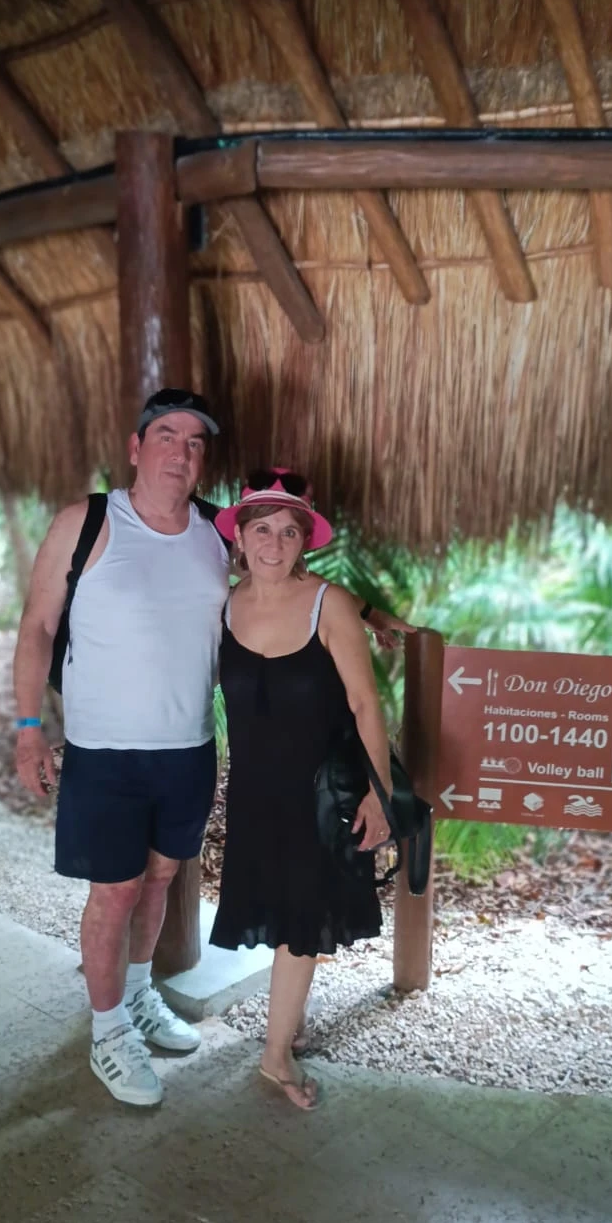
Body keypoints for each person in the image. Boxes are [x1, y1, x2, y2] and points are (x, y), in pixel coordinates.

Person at [13, 392, 406, 1109]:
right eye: (166, 436)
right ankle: (107, 1032)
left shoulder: (205, 531)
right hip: (109, 751)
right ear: (136, 447)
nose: (181, 452)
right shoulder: (92, 524)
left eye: (195, 443)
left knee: (160, 880)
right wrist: (27, 727)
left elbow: (291, 586)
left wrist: (366, 615)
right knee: (113, 894)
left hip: (189, 750)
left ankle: (137, 1000)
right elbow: (38, 626)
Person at [209, 471, 393, 1111]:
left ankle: (274, 1051)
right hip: (255, 792)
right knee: (282, 912)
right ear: (240, 534)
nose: (274, 541)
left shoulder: (329, 604)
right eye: (262, 527)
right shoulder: (224, 604)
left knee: (303, 921)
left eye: (289, 531)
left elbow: (367, 704)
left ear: (303, 543)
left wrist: (380, 794)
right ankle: (284, 1032)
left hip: (320, 794)